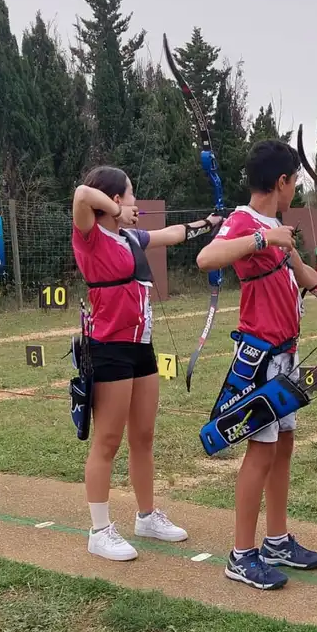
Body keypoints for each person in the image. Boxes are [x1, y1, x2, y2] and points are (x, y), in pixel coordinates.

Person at [196, 139, 317, 590]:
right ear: (282, 181)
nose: (296, 191)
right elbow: (205, 258)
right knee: (262, 450)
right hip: (259, 356)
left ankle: (275, 540)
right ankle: (241, 554)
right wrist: (260, 237)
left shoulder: (276, 227)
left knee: (284, 446)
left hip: (285, 354)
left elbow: (305, 276)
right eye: (295, 183)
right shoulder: (246, 222)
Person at [72, 165, 220, 562]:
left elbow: (170, 235)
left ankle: (146, 515)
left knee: (144, 436)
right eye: (131, 196)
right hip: (109, 348)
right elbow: (82, 193)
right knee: (107, 440)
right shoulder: (91, 236)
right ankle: (99, 530)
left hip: (141, 347)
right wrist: (116, 213)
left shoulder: (130, 239)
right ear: (116, 201)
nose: (136, 204)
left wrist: (209, 223)